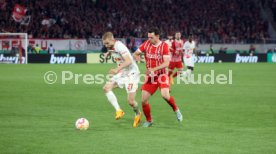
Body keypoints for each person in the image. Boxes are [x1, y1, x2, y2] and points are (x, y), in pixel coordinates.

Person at [133, 27, 183, 127]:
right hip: (151, 77)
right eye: (148, 37)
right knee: (144, 100)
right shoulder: (146, 43)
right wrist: (137, 56)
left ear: (157, 36)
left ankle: (176, 109)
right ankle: (149, 120)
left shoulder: (164, 46)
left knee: (165, 95)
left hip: (162, 75)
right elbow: (136, 53)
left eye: (151, 37)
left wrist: (154, 69)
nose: (149, 39)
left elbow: (167, 63)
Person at [102, 32, 142, 127]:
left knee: (131, 102)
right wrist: (108, 53)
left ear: (112, 39)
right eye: (104, 44)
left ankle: (137, 113)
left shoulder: (119, 46)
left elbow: (129, 61)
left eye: (107, 43)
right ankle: (119, 110)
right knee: (106, 88)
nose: (106, 45)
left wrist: (117, 69)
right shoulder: (112, 47)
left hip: (132, 73)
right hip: (123, 73)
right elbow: (113, 50)